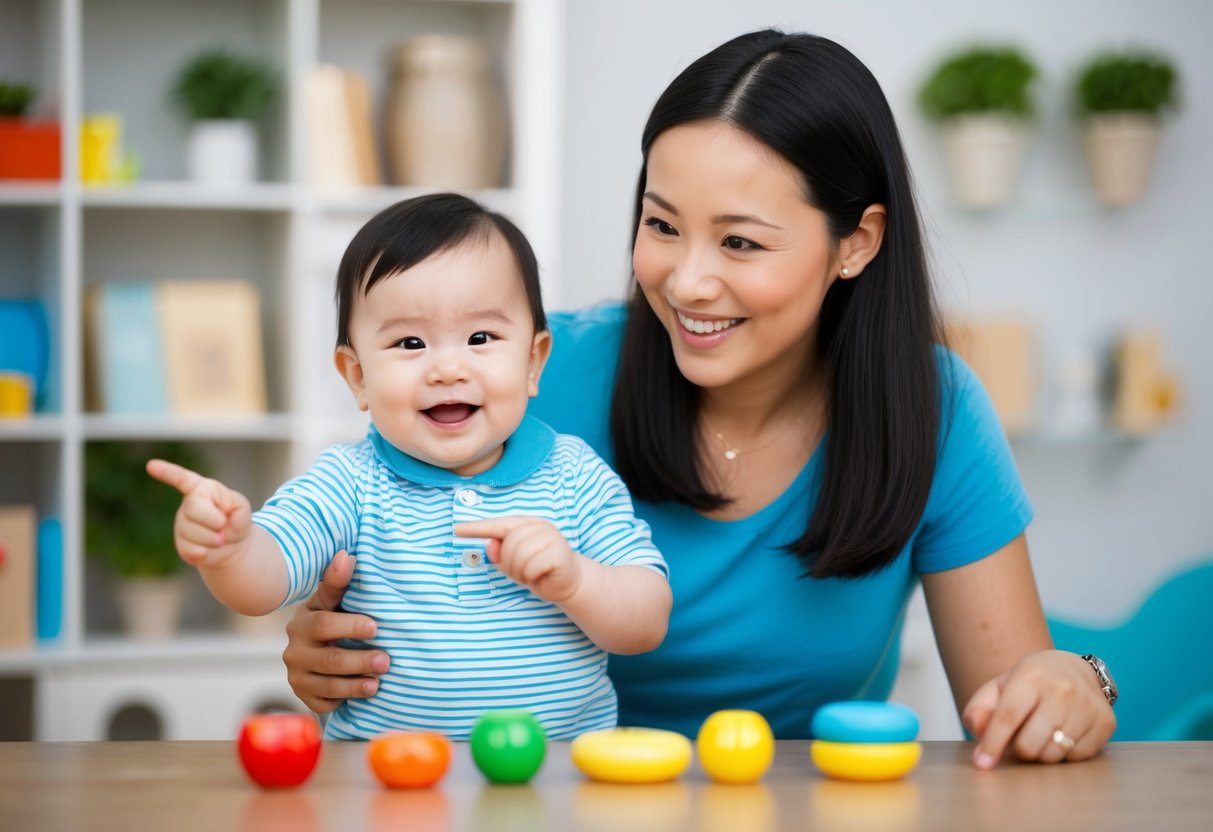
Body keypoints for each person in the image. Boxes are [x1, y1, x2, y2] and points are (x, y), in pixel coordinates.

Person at [280, 30, 1118, 767]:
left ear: (855, 243)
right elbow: (372, 545)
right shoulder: (529, 374)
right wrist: (334, 650)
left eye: (740, 241)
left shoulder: (930, 409)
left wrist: (1072, 685)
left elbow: (1013, 701)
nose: (685, 281)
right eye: (662, 224)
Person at [147, 193, 671, 741]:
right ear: (357, 377)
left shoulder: (575, 477)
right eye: (410, 342)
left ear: (534, 361)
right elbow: (264, 582)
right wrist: (230, 550)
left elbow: (647, 619)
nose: (447, 368)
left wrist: (578, 579)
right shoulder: (348, 485)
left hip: (556, 780)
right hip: (384, 784)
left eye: (480, 338)